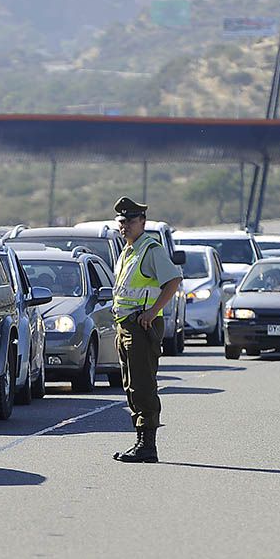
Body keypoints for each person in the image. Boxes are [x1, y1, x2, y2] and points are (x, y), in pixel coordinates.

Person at [111, 196, 182, 464]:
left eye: (130, 221)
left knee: (143, 386)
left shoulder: (150, 250)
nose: (124, 225)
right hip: (126, 325)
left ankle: (147, 445)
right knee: (131, 385)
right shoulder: (128, 252)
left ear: (142, 222)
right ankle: (140, 442)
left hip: (142, 326)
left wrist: (152, 312)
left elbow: (173, 280)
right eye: (121, 221)